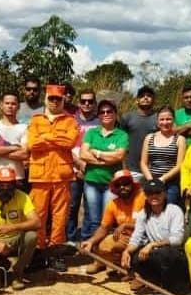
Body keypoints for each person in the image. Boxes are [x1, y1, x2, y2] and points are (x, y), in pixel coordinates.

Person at [25, 84, 79, 261]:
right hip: (40, 176)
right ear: (46, 99)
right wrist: (56, 139)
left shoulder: (70, 120)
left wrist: (46, 137)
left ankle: (55, 252)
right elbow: (32, 144)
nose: (55, 102)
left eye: (58, 99)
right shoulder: (36, 120)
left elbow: (70, 142)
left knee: (60, 216)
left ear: (63, 100)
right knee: (39, 214)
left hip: (61, 176)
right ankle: (39, 251)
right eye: (51, 98)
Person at [122, 179, 187, 295]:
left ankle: (170, 287)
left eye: (157, 192)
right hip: (156, 254)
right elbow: (136, 238)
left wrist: (152, 245)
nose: (154, 196)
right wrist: (126, 251)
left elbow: (177, 239)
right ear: (145, 196)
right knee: (134, 258)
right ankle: (156, 282)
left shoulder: (174, 210)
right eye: (149, 193)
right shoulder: (143, 214)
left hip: (175, 255)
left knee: (164, 253)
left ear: (164, 193)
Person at [78, 99, 128, 240]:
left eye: (109, 111)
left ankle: (107, 251)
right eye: (102, 112)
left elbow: (119, 156)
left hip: (112, 185)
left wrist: (97, 153)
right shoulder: (92, 133)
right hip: (91, 182)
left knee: (108, 220)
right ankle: (95, 251)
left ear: (115, 114)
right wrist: (106, 161)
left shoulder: (121, 135)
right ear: (98, 115)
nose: (105, 114)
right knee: (94, 220)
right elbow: (83, 154)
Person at [78, 169, 144, 275]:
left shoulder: (142, 198)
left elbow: (149, 224)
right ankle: (115, 265)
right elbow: (104, 227)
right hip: (125, 237)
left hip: (143, 237)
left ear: (132, 184)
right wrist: (90, 241)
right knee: (101, 246)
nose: (122, 187)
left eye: (126, 183)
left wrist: (126, 225)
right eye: (118, 185)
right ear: (115, 189)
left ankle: (135, 270)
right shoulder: (113, 204)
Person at [67, 89, 101, 243]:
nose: (86, 104)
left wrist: (86, 165)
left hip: (93, 170)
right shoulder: (70, 121)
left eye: (90, 101)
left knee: (90, 207)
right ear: (78, 103)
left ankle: (87, 239)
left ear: (95, 103)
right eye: (83, 101)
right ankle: (70, 239)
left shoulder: (101, 121)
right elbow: (65, 146)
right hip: (72, 169)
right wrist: (78, 163)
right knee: (72, 206)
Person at [141, 105, 186, 207]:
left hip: (170, 184)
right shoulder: (149, 138)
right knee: (148, 210)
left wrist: (162, 179)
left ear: (173, 120)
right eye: (162, 119)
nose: (165, 122)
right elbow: (143, 163)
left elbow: (179, 165)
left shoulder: (180, 139)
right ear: (157, 121)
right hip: (150, 180)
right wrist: (151, 180)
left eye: (168, 119)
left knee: (168, 210)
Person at [120, 86, 157, 182]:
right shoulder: (127, 117)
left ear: (153, 100)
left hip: (152, 170)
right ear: (137, 100)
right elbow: (121, 143)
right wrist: (123, 167)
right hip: (131, 169)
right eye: (142, 96)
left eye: (149, 96)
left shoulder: (159, 118)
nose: (145, 98)